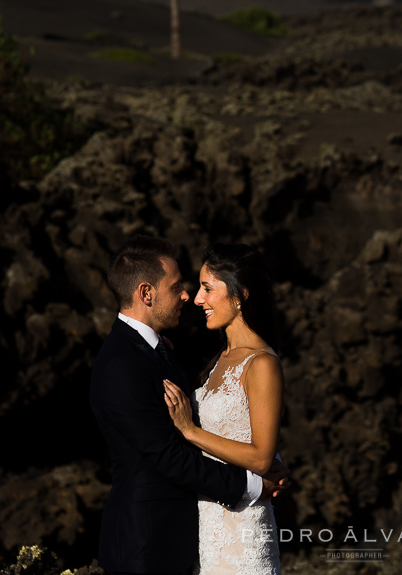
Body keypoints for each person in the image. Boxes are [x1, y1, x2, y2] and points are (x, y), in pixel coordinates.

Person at [90, 236, 289, 575]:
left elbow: (240, 430)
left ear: (240, 295)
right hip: (147, 543)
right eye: (177, 286)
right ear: (145, 293)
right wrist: (255, 484)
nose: (190, 297)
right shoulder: (122, 364)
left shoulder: (161, 352)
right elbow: (168, 455)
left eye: (203, 288)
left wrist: (270, 460)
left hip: (203, 535)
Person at [162, 242, 283, 575]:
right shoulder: (220, 360)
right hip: (208, 524)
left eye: (206, 288)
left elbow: (260, 456)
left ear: (240, 294)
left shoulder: (262, 363)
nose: (197, 298)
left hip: (243, 530)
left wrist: (190, 430)